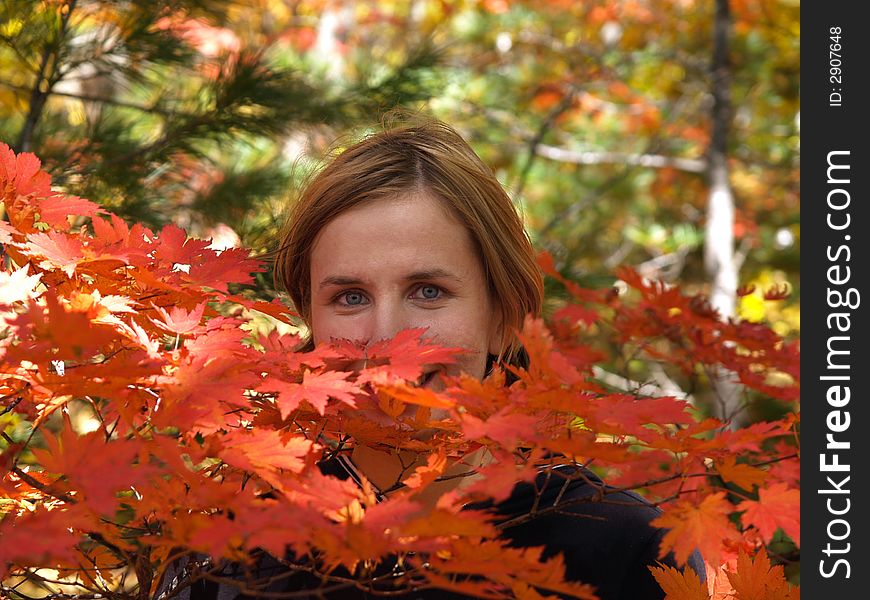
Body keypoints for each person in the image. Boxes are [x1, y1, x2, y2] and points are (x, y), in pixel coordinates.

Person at [159, 114, 703, 599]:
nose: (387, 337)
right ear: (310, 322)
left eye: (428, 291)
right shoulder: (228, 547)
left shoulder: (623, 548)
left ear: (503, 317)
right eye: (350, 297)